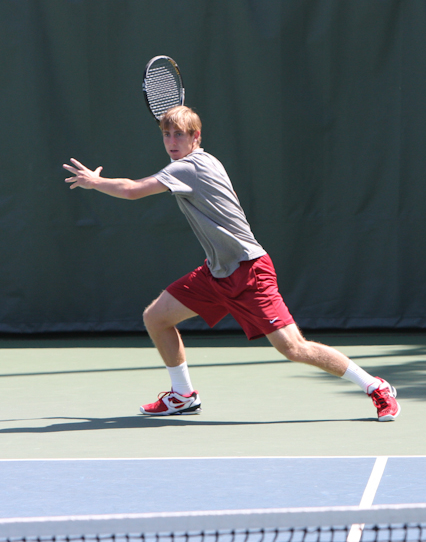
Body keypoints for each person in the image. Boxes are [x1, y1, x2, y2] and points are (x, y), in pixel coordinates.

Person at [63, 105, 400, 422]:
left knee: (294, 348)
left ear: (196, 137)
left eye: (179, 135)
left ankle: (376, 387)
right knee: (156, 317)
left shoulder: (188, 166)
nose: (172, 142)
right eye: (166, 135)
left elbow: (134, 190)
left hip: (250, 272)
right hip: (216, 272)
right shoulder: (207, 162)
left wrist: (96, 183)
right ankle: (182, 395)